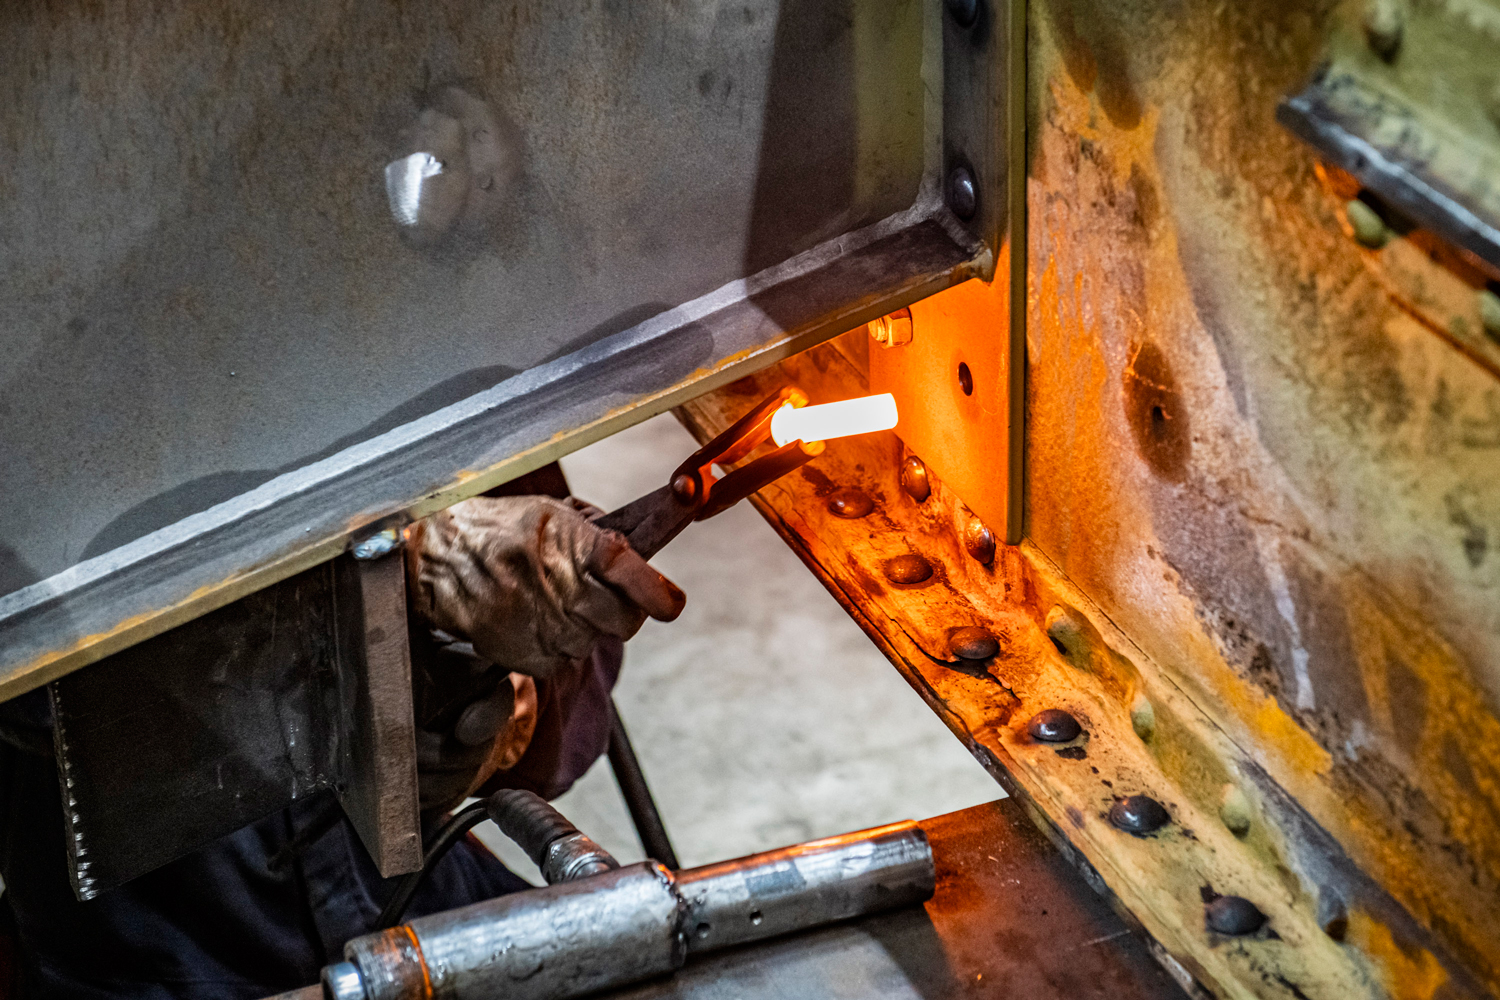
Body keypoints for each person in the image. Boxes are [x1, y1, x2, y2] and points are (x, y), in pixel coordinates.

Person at [0, 466, 683, 999]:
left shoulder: (415, 344)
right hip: (158, 943)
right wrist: (383, 570)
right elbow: (32, 692)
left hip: (415, 891)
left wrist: (520, 703)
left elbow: (574, 619)